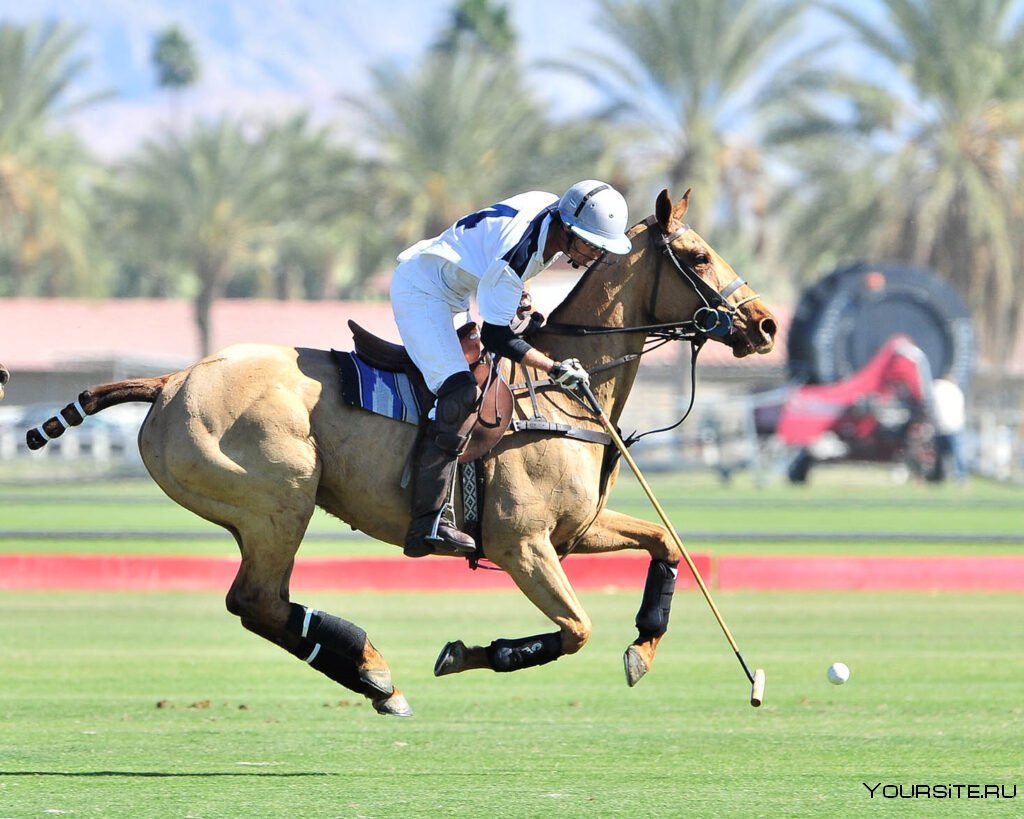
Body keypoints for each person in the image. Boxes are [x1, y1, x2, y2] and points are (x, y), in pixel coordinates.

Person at [390, 180, 633, 557]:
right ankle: (429, 520)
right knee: (460, 393)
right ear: (567, 229)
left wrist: (522, 297)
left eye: (601, 247)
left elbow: (500, 260)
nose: (594, 254)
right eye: (590, 243)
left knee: (487, 382)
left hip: (455, 291)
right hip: (423, 291)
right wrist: (553, 368)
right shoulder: (516, 255)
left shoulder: (549, 209)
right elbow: (498, 336)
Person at [930, 377, 967, 482]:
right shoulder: (954, 390)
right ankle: (961, 477)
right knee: (958, 453)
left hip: (941, 426)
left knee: (939, 454)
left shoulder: (935, 389)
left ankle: (938, 476)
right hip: (954, 426)